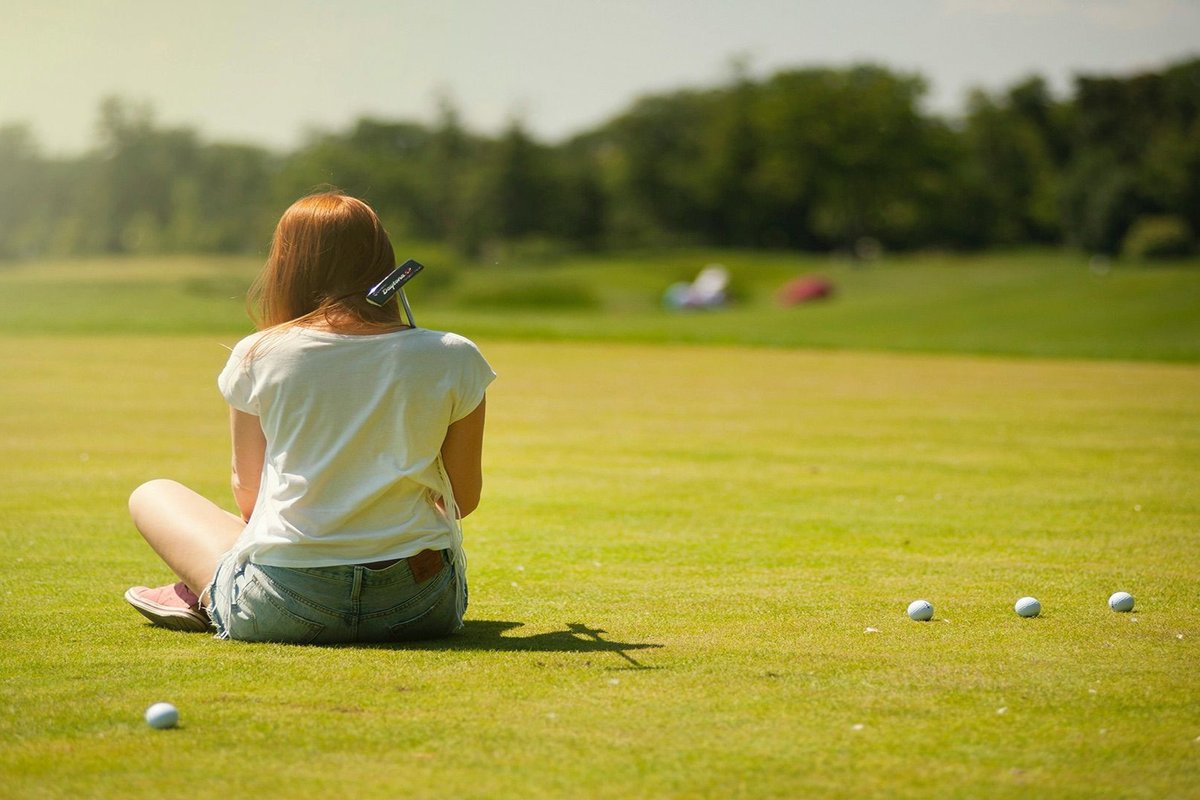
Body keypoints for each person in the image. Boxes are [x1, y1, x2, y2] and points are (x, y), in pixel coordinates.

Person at [124, 191, 495, 644]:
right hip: (421, 605)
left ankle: (207, 590)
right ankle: (210, 588)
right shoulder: (455, 355)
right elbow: (461, 500)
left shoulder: (259, 353)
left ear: (288, 265)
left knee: (152, 494)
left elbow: (249, 497)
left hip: (284, 603)